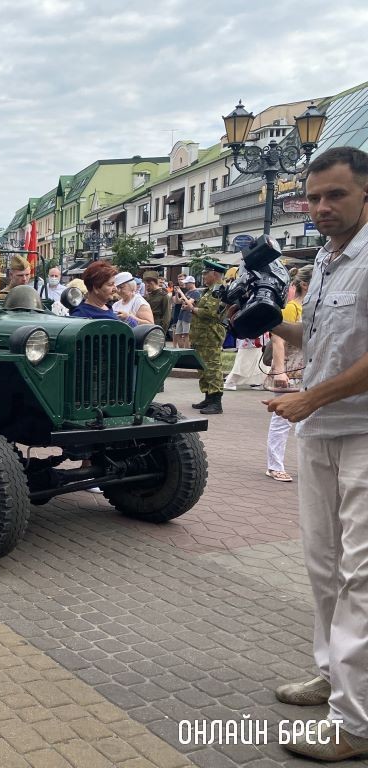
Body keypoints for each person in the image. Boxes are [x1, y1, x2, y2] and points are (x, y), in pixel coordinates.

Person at [265, 147, 368, 761]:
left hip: (361, 433)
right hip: (321, 433)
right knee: (323, 567)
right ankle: (334, 678)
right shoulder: (329, 262)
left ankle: (354, 725)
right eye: (314, 197)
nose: (321, 208)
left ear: (365, 195)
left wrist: (313, 398)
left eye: (336, 195)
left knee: (361, 578)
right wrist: (273, 324)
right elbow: (325, 334)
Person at [264, 265, 311, 483]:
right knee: (282, 420)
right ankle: (275, 465)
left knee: (310, 420)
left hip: (309, 369)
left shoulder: (314, 306)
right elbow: (277, 338)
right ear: (305, 284)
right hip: (290, 369)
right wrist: (280, 371)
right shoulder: (292, 308)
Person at [183, 261, 228, 414]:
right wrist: (193, 306)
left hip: (210, 336)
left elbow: (212, 313)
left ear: (214, 274)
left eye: (205, 273)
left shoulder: (218, 290)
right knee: (203, 367)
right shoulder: (209, 290)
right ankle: (208, 398)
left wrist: (192, 308)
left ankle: (216, 402)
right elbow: (204, 308)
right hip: (202, 336)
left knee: (212, 368)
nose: (203, 276)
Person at [172, 275, 200, 348]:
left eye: (187, 283)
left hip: (188, 316)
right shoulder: (188, 292)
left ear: (192, 283)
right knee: (178, 333)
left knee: (186, 335)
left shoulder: (196, 292)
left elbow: (189, 303)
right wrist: (176, 293)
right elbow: (177, 302)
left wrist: (181, 292)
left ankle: (187, 351)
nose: (185, 285)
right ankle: (181, 350)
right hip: (181, 316)